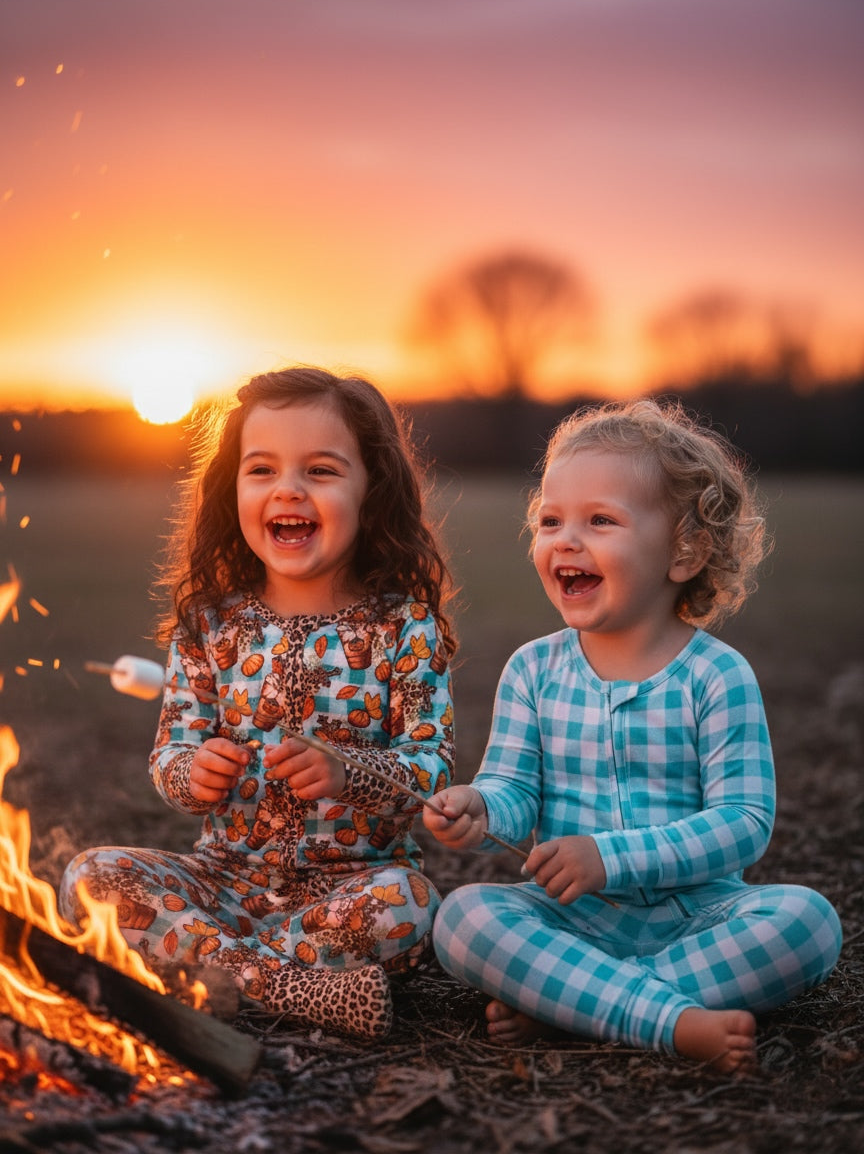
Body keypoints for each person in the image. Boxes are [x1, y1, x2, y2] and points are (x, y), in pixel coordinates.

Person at [423, 398, 842, 1073]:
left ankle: (570, 1006)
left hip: (698, 919)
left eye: (601, 521)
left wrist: (611, 857)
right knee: (463, 919)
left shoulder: (716, 675)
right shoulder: (532, 669)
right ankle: (662, 1015)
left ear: (685, 550)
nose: (565, 539)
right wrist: (480, 805)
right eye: (549, 520)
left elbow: (743, 824)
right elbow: (512, 788)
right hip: (569, 920)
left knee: (810, 923)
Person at [60, 364, 456, 1040]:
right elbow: (170, 755)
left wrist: (347, 774)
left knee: (413, 907)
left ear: (372, 492)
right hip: (222, 884)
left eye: (322, 471)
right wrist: (195, 770)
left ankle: (209, 980)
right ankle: (285, 987)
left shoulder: (403, 628)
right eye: (262, 469)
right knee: (89, 878)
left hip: (349, 893)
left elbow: (432, 769)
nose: (289, 490)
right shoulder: (209, 626)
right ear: (232, 490)